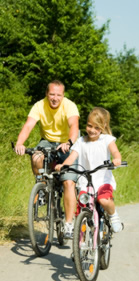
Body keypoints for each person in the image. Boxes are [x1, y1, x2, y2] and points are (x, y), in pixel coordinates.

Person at [14, 80, 80, 238]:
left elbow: (74, 126)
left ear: (63, 95)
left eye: (58, 95)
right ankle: (42, 187)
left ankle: (69, 224)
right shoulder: (39, 105)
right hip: (48, 141)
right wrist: (20, 143)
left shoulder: (70, 105)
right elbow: (29, 125)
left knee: (68, 182)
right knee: (36, 156)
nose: (55, 98)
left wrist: (69, 142)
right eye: (52, 94)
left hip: (68, 142)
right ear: (46, 94)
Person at [55, 107, 123, 233]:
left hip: (103, 181)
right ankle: (80, 243)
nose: (92, 130)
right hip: (86, 182)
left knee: (103, 200)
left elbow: (115, 152)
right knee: (82, 205)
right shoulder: (81, 141)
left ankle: (113, 215)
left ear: (103, 126)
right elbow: (72, 156)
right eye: (89, 126)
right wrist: (64, 165)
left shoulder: (107, 139)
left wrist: (117, 159)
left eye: (97, 128)